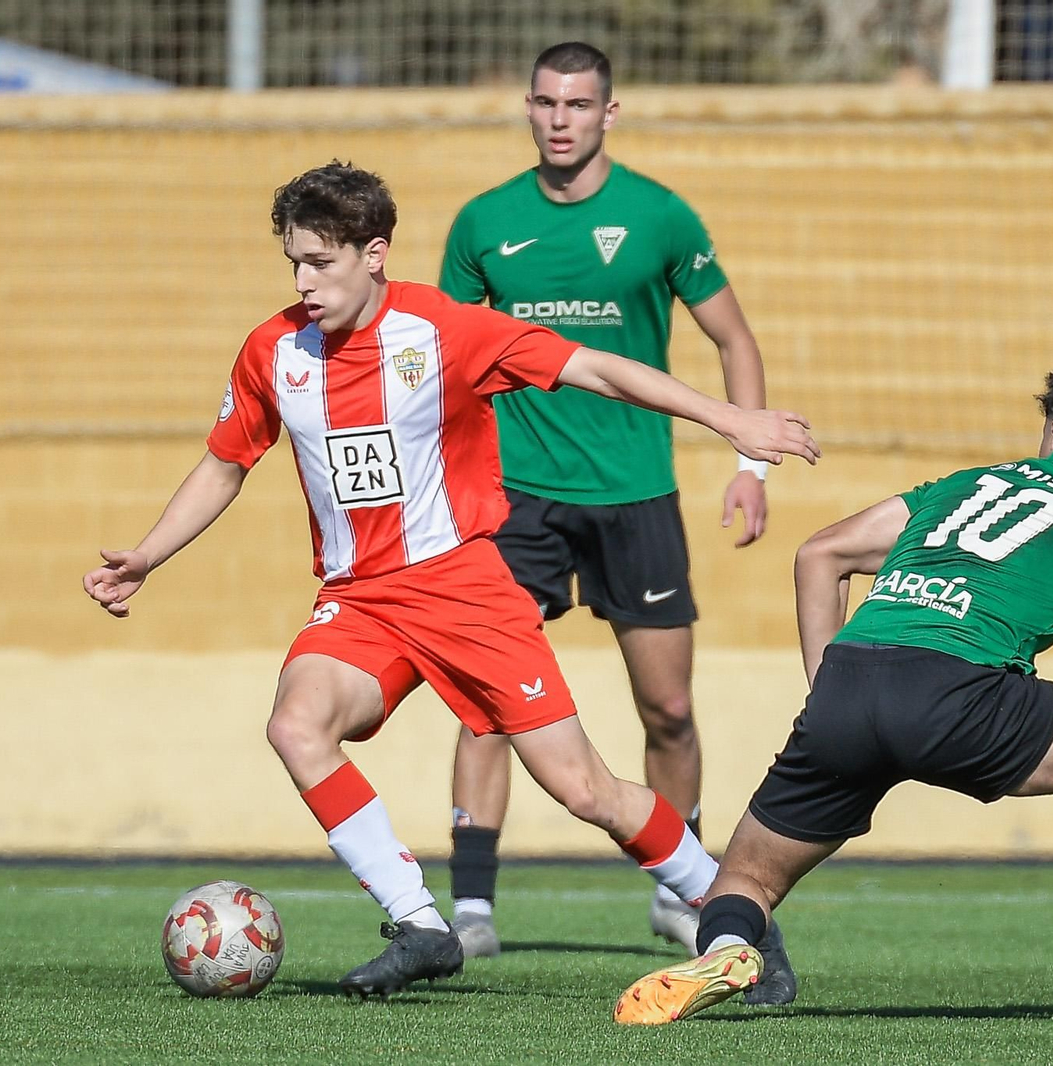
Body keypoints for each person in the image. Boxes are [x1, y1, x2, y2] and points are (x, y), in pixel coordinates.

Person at [81, 161, 820, 997]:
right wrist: (147, 554)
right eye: (293, 262)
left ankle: (737, 913)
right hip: (361, 600)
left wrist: (729, 418)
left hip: (465, 589)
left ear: (375, 253)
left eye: (320, 262)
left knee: (588, 790)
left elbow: (599, 368)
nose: (303, 281)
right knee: (296, 724)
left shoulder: (446, 330)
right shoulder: (272, 351)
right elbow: (224, 466)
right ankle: (421, 924)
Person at [614, 359, 1053, 1027]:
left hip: (851, 679)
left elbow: (820, 554)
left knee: (746, 876)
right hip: (958, 694)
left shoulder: (965, 486)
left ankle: (729, 949)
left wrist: (828, 689)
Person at [438, 40, 775, 961]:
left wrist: (751, 466)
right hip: (517, 502)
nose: (560, 119)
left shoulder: (659, 218)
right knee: (486, 703)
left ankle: (681, 885)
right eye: (546, 103)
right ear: (528, 107)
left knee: (667, 709)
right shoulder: (483, 224)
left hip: (639, 498)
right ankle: (471, 908)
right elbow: (446, 363)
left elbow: (734, 342)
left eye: (578, 105)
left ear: (608, 114)